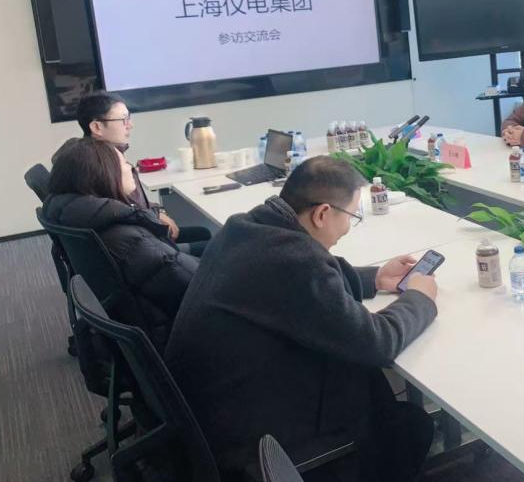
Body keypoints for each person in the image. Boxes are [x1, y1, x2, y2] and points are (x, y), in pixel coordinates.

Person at [164, 156, 438, 481]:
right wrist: (419, 298)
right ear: (322, 214)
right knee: (406, 423)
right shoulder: (295, 261)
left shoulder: (246, 229)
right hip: (252, 442)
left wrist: (375, 278)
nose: (348, 228)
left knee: (371, 384)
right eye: (351, 216)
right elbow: (378, 342)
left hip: (213, 415)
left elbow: (305, 284)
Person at [43, 138, 198, 350]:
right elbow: (196, 287)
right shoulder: (129, 241)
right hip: (175, 337)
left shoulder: (82, 216)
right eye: (123, 163)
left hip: (146, 321)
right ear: (104, 174)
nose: (130, 167)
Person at [53, 91, 210, 253]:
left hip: (143, 238)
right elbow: (128, 211)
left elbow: (133, 206)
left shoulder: (86, 160)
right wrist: (155, 215)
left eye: (129, 118)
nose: (130, 125)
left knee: (203, 233)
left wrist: (157, 211)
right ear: (97, 127)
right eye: (123, 120)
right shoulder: (101, 171)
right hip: (147, 246)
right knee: (214, 244)